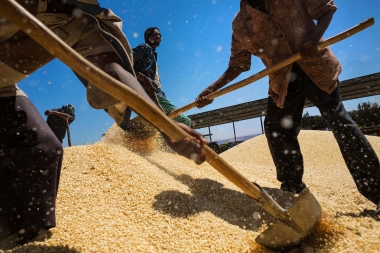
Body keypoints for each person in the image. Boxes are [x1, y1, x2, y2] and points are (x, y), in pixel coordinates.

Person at [0, 0, 206, 249]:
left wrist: (163, 125)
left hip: (2, 86)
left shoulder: (89, 19)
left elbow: (113, 71)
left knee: (41, 148)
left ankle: (20, 239)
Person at [196, 0, 380, 214]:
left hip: (315, 67)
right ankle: (293, 190)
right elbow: (238, 64)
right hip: (283, 80)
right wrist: (213, 89)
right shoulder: (241, 23)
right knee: (276, 129)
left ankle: (376, 191)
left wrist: (313, 38)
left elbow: (327, 9)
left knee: (340, 122)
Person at [132, 27, 193, 127]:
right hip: (151, 94)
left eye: (160, 35)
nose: (159, 36)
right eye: (156, 34)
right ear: (148, 36)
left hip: (157, 94)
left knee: (163, 125)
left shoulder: (152, 54)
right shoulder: (145, 47)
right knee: (184, 121)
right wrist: (144, 78)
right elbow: (125, 62)